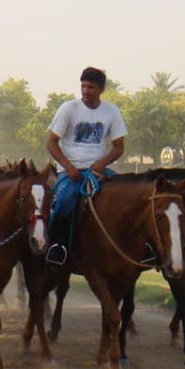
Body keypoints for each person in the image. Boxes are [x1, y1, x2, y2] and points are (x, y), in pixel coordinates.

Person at [45, 67, 127, 266]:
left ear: (101, 89)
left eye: (91, 87)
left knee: (125, 197)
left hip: (98, 170)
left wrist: (100, 164)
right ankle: (57, 247)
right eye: (83, 86)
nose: (85, 91)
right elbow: (51, 143)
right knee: (63, 203)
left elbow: (118, 148)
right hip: (70, 171)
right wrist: (69, 167)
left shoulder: (111, 111)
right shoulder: (68, 109)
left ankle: (131, 247)